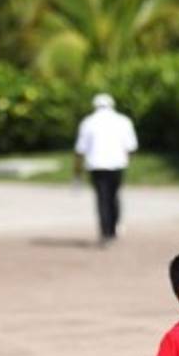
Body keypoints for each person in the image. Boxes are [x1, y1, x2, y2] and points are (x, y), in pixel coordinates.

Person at [74, 93, 137, 245]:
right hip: (117, 165)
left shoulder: (88, 122)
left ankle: (106, 232)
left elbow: (80, 149)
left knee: (102, 198)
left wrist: (77, 171)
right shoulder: (123, 121)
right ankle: (113, 228)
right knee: (114, 196)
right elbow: (131, 146)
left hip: (97, 165)